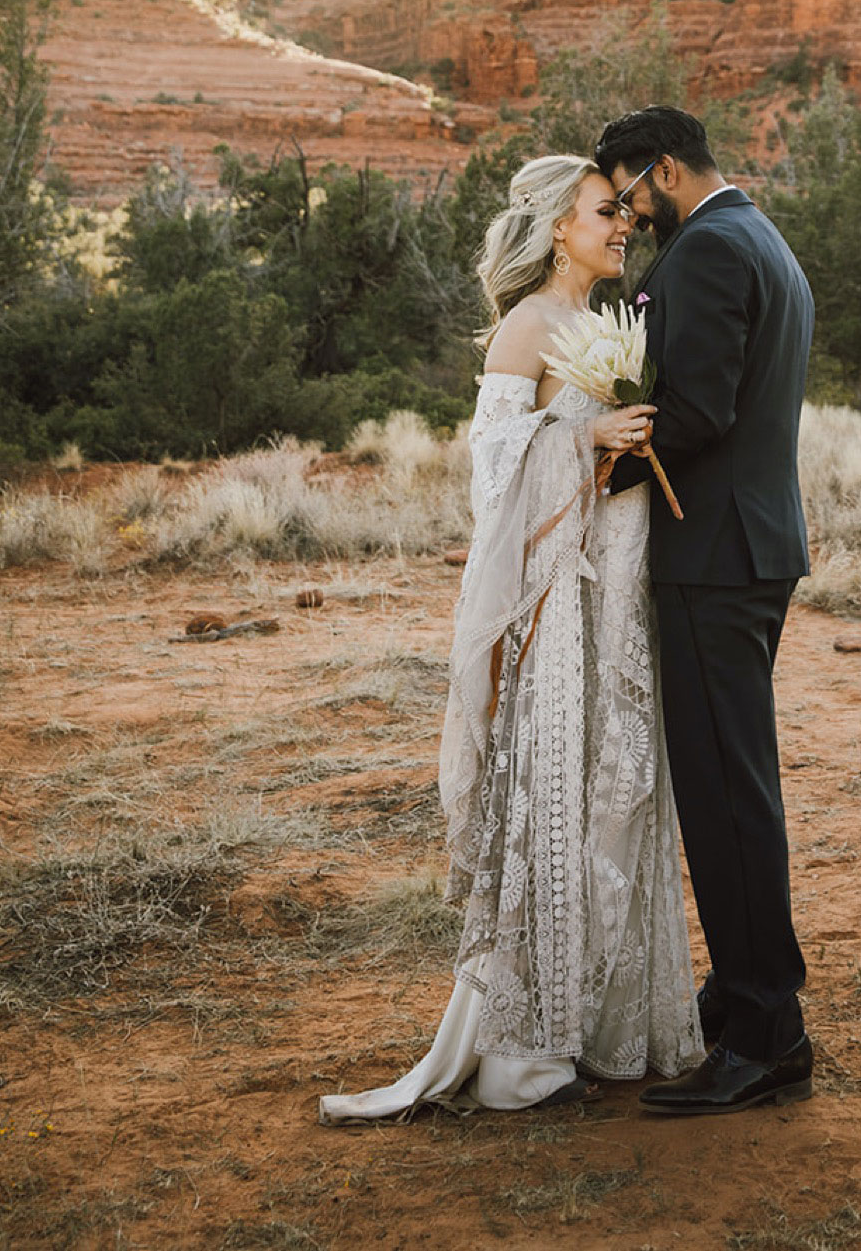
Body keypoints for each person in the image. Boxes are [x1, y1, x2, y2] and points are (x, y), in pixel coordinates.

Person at [319, 156, 704, 1122]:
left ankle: (612, 1024)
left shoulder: (618, 324)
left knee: (620, 793)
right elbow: (493, 484)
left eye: (622, 208)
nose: (623, 224)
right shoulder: (527, 328)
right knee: (557, 800)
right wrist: (586, 437)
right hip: (554, 609)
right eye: (605, 211)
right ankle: (522, 1053)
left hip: (621, 595)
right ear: (555, 227)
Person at [592, 106, 815, 1117]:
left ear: (666, 169)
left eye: (632, 193)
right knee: (733, 783)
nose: (631, 215)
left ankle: (768, 1033)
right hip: (744, 546)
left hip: (715, 555)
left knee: (727, 793)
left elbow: (702, 409)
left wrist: (600, 450)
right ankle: (740, 992)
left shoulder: (711, 249)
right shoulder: (757, 233)